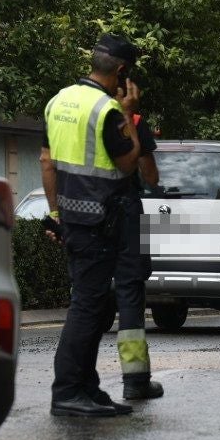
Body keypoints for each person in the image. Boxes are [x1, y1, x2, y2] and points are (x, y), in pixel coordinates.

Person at [42, 33, 153, 417]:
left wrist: (56, 213)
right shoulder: (106, 111)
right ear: (122, 71)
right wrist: (129, 117)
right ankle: (68, 390)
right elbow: (128, 163)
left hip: (74, 218)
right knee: (88, 307)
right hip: (101, 221)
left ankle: (87, 387)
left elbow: (47, 161)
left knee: (95, 305)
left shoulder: (59, 101)